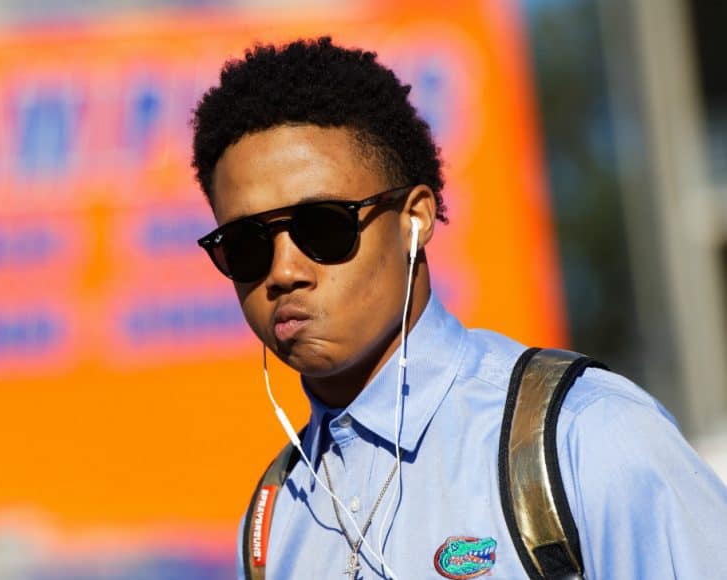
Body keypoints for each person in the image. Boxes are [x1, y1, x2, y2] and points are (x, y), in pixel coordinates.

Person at [189, 36, 727, 579]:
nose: (283, 271)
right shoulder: (273, 521)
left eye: (323, 226)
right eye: (246, 244)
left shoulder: (583, 435)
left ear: (415, 221)